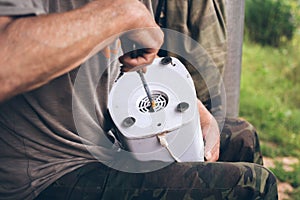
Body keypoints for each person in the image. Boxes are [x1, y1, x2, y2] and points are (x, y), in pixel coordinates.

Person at [0, 0, 278, 200]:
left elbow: (135, 57)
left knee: (242, 137)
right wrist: (122, 13)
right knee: (253, 185)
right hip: (48, 172)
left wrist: (196, 110)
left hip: (109, 140)